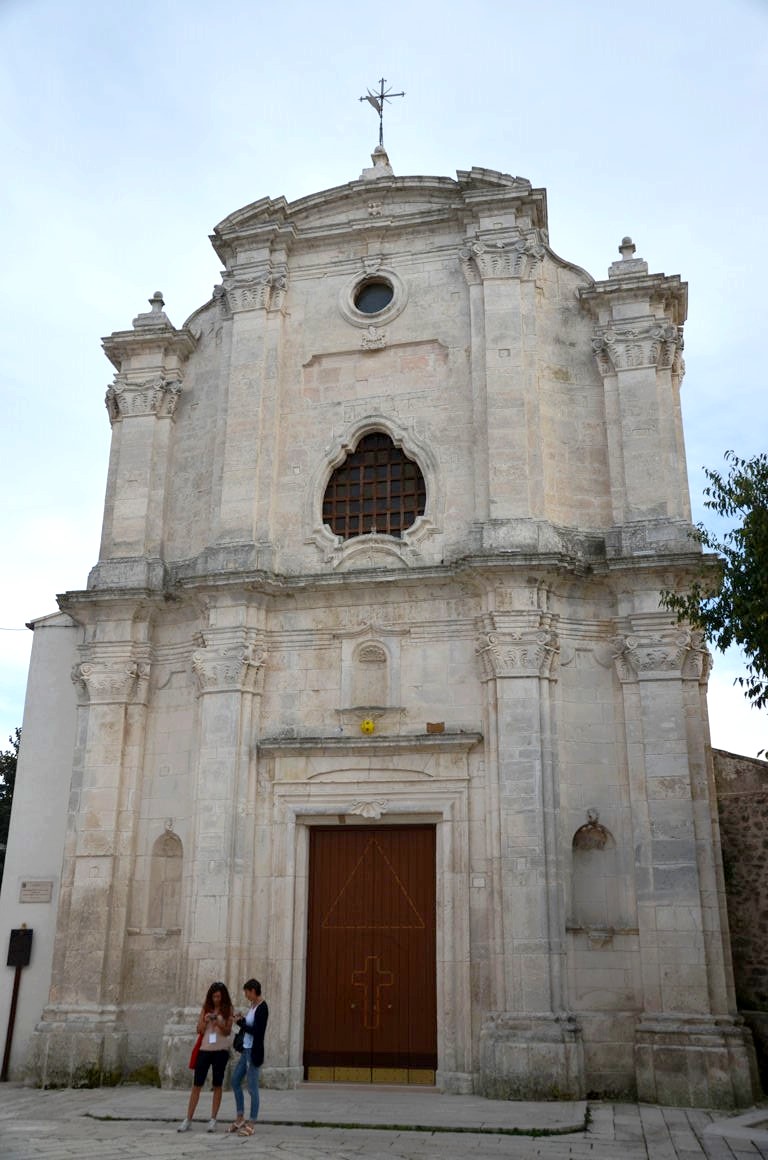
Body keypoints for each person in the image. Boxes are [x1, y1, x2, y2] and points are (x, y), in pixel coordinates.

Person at [178, 981, 234, 1133]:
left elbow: (228, 1031)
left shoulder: (228, 1009)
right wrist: (206, 1020)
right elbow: (199, 1029)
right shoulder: (206, 1009)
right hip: (205, 1049)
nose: (216, 999)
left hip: (221, 1050)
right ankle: (188, 1119)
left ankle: (213, 1119)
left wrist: (218, 1022)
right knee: (197, 1084)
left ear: (223, 997)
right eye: (214, 996)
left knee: (217, 1084)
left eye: (219, 996)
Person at [228, 977, 269, 1136]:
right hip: (246, 1050)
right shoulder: (253, 1006)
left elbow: (257, 1031)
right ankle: (240, 1117)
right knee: (235, 1081)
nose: (246, 996)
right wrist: (242, 1019)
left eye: (247, 993)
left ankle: (251, 1123)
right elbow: (250, 1025)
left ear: (253, 991)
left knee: (252, 1088)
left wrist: (240, 1023)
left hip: (254, 1051)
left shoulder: (263, 1007)